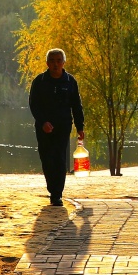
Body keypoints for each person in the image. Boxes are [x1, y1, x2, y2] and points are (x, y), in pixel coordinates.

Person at [28, 48, 85, 206]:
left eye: (58, 61)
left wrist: (80, 127)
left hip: (63, 126)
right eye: (52, 61)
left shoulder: (70, 81)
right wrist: (42, 122)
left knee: (60, 158)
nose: (55, 64)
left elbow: (76, 106)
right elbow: (34, 105)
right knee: (47, 158)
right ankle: (52, 188)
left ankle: (57, 194)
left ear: (63, 63)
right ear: (47, 63)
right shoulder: (39, 81)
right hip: (44, 127)